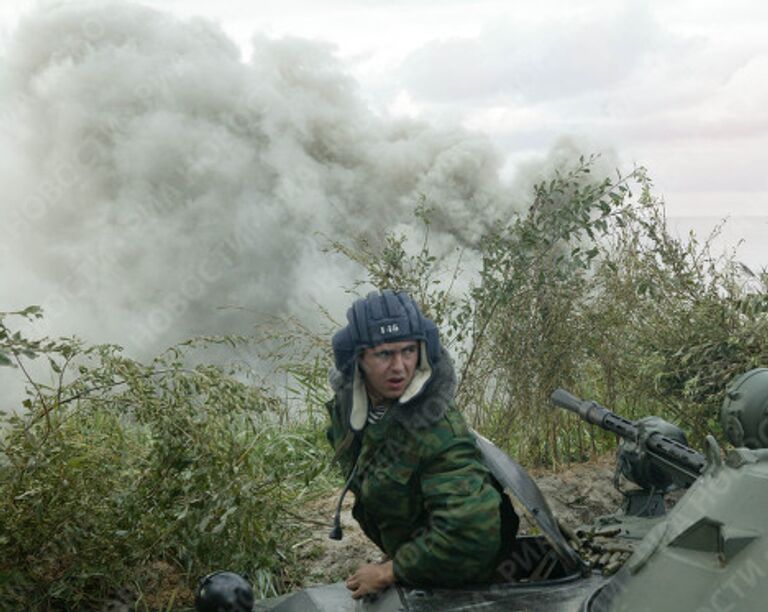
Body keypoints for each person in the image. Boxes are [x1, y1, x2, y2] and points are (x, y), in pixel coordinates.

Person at [325, 290, 518, 599]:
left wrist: (392, 571)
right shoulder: (350, 407)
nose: (400, 367)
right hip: (420, 558)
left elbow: (471, 535)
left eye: (409, 351)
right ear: (358, 359)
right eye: (384, 354)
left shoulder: (439, 430)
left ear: (423, 351)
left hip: (469, 578)